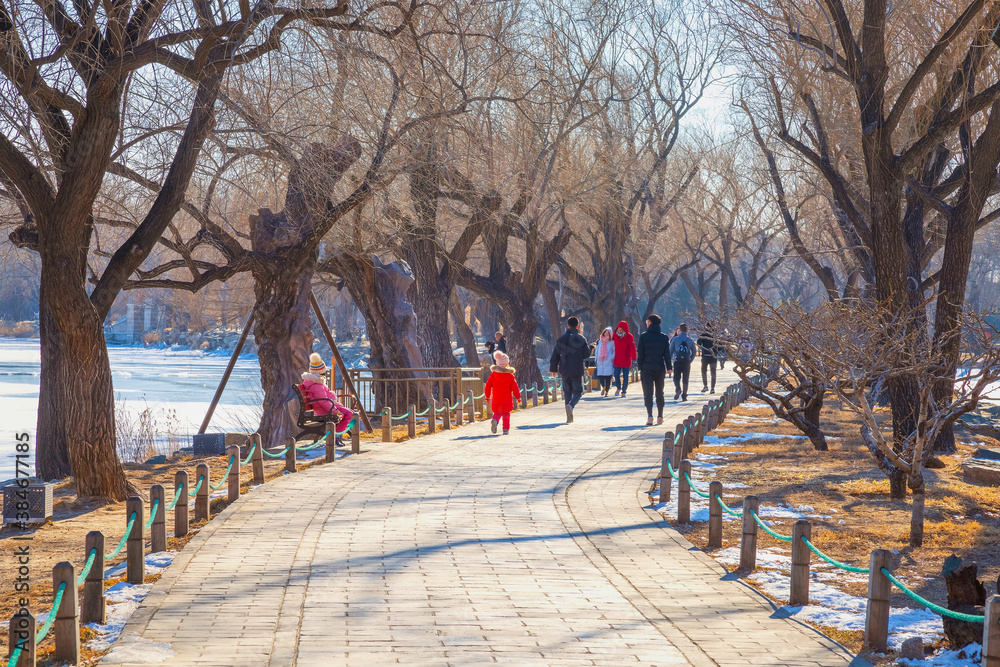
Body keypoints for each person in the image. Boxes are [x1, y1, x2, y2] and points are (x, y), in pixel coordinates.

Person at [300, 353, 355, 435]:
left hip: (328, 408)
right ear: (321, 372)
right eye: (324, 372)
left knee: (351, 413)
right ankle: (337, 435)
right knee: (350, 414)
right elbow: (323, 402)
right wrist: (335, 411)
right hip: (325, 410)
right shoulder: (317, 386)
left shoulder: (315, 383)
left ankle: (338, 433)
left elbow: (324, 399)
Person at [549, 316, 590, 423]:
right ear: (577, 326)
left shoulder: (561, 339)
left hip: (564, 369)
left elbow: (555, 355)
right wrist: (591, 348)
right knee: (578, 392)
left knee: (567, 392)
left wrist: (553, 368)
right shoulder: (581, 339)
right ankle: (571, 406)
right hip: (576, 369)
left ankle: (568, 416)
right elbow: (586, 354)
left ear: (567, 326)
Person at [636, 315, 670, 425]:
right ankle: (660, 416)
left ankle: (650, 416)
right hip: (659, 368)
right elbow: (667, 355)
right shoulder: (664, 337)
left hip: (646, 368)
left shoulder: (644, 337)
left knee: (648, 393)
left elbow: (640, 354)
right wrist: (669, 367)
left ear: (650, 323)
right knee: (660, 392)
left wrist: (640, 367)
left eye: (647, 321)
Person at [484, 350, 520, 435]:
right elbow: (515, 387)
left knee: (497, 412)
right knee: (506, 414)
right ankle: (505, 429)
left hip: (496, 398)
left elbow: (488, 386)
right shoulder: (510, 376)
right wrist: (518, 397)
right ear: (507, 363)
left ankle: (495, 420)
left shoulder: (493, 375)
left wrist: (487, 396)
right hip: (507, 399)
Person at [669, 323, 696, 401]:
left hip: (677, 361)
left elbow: (670, 351)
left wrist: (670, 361)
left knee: (676, 378)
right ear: (687, 330)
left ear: (680, 330)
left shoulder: (675, 339)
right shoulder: (690, 340)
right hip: (686, 362)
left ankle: (678, 389)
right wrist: (691, 359)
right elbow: (694, 351)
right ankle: (684, 395)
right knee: (685, 379)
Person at [612, 320, 637, 397]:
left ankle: (624, 390)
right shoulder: (614, 335)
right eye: (618, 329)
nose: (619, 330)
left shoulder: (629, 336)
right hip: (617, 358)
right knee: (616, 374)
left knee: (626, 376)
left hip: (626, 358)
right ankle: (618, 387)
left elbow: (632, 348)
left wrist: (634, 358)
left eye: (621, 329)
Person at [593, 327, 615, 396]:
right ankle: (604, 387)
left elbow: (614, 351)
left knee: (608, 377)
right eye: (605, 332)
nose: (606, 334)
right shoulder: (599, 341)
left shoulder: (611, 342)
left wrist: (610, 357)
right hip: (600, 361)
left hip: (607, 361)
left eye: (608, 333)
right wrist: (596, 358)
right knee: (600, 376)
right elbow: (597, 350)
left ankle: (607, 391)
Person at [697, 322, 718, 394]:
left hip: (705, 355)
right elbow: (720, 345)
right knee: (713, 373)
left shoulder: (704, 334)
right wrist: (716, 351)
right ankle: (712, 388)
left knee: (704, 372)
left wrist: (702, 347)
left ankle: (705, 386)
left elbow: (698, 342)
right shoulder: (715, 335)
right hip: (713, 356)